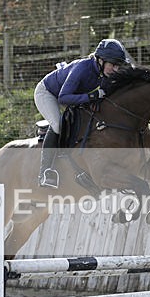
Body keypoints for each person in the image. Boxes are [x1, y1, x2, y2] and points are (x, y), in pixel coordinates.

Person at [35, 38, 131, 188]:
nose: (115, 70)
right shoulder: (82, 68)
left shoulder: (104, 73)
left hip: (70, 94)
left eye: (118, 66)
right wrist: (91, 96)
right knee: (58, 125)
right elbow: (63, 98)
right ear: (100, 60)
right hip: (48, 93)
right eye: (113, 65)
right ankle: (45, 172)